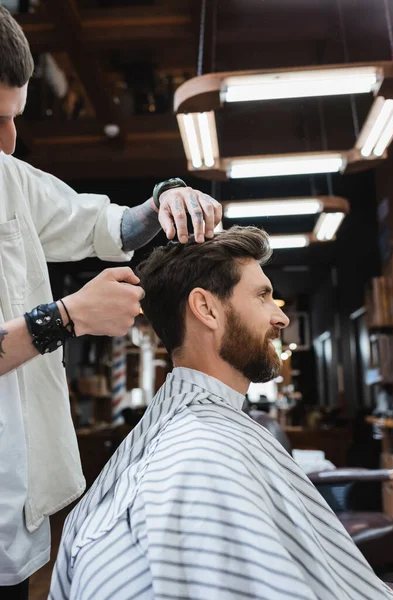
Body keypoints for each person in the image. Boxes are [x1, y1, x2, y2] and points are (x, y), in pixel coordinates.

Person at [0, 6, 222, 597]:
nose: (9, 141)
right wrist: (66, 317)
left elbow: (108, 227)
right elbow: (57, 319)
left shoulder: (8, 178)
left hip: (15, 510)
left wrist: (166, 200)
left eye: (14, 117)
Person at [50, 226, 393, 599]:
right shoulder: (200, 456)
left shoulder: (201, 435)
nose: (280, 319)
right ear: (206, 309)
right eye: (263, 296)